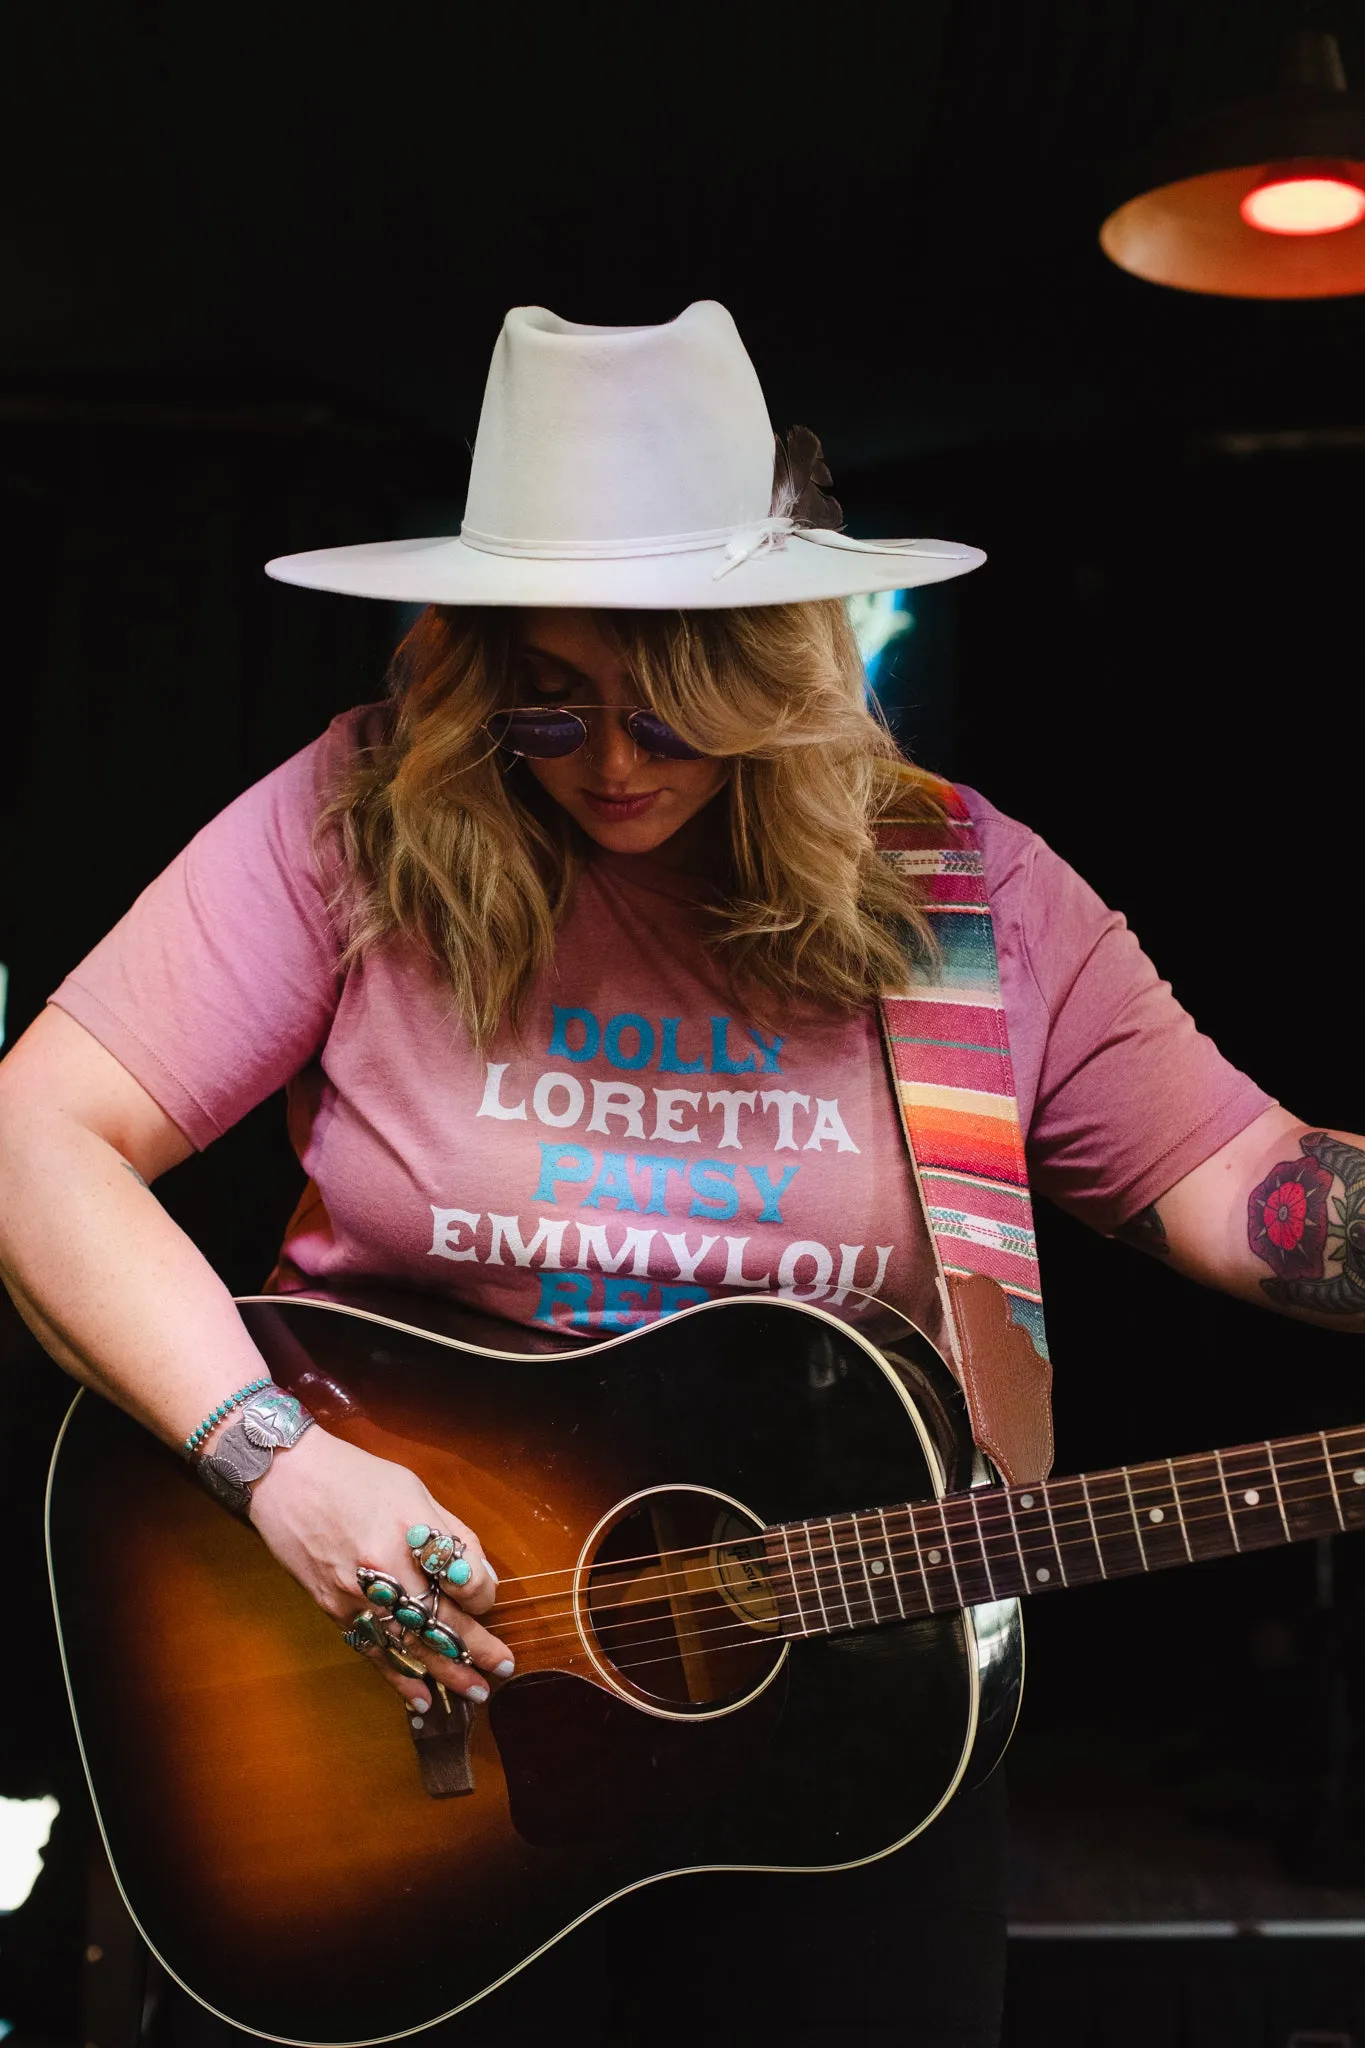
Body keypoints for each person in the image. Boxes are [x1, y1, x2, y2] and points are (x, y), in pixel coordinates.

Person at [1, 302, 1361, 2048]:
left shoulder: (966, 897)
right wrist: (279, 1470)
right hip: (405, 1705)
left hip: (852, 1735)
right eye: (550, 705)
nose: (619, 763)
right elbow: (40, 1134)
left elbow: (1255, 1187)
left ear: (780, 665)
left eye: (674, 699)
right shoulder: (355, 821)